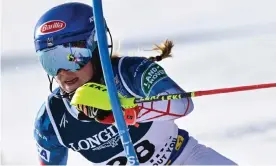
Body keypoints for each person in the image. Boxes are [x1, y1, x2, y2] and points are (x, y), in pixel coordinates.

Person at [33, 2, 237, 165]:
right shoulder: (51, 119)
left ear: (95, 48)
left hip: (184, 159)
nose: (62, 72)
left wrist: (125, 110)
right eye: (50, 62)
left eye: (71, 57)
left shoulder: (129, 72)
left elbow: (182, 105)